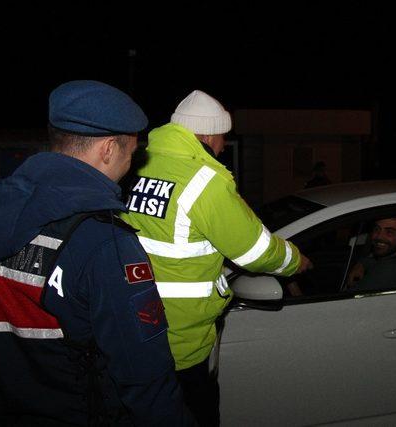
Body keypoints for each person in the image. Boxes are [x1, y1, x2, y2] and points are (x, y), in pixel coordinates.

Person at [0, 80, 192, 425]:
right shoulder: (105, 242)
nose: (131, 163)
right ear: (108, 149)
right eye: (131, 152)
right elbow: (144, 377)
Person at [121, 89, 312, 426]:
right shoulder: (205, 181)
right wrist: (297, 262)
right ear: (208, 135)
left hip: (131, 320)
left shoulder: (139, 164)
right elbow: (256, 251)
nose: (224, 146)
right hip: (180, 334)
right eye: (223, 137)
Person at [346, 216, 396, 291]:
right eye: (377, 229)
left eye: (389, 232)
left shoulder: (389, 271)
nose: (379, 236)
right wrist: (362, 264)